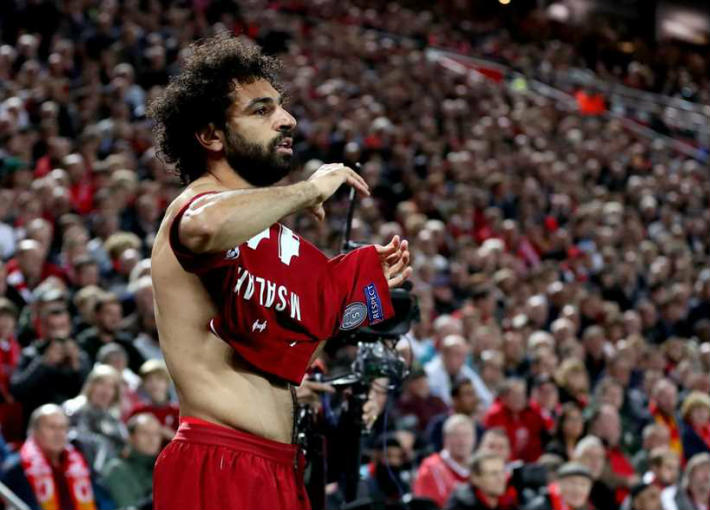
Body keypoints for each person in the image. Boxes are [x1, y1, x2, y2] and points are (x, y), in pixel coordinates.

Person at [148, 33, 411, 510]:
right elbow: (203, 228)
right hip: (219, 459)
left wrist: (356, 294)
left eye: (282, 107)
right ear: (211, 136)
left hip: (279, 466)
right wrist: (308, 191)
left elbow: (292, 345)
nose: (287, 119)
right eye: (261, 110)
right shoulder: (195, 206)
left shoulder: (266, 238)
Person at [0, 404, 97, 510]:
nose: (59, 434)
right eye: (52, 427)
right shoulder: (15, 469)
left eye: (63, 427)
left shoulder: (80, 463)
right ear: (34, 431)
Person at [101, 413, 162, 509]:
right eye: (145, 433)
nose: (152, 439)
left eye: (156, 434)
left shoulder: (165, 468)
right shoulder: (117, 469)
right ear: (130, 437)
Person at [414, 414, 476, 508]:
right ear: (445, 438)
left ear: (474, 438)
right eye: (456, 435)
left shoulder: (481, 468)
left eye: (466, 435)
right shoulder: (431, 468)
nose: (462, 441)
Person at [445, 451, 511, 510]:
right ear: (475, 478)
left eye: (502, 472)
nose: (501, 478)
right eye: (493, 474)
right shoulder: (461, 504)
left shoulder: (510, 501)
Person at [525, 462, 593, 510]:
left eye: (583, 484)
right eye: (572, 483)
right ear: (558, 483)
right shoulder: (541, 505)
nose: (578, 489)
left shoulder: (586, 507)